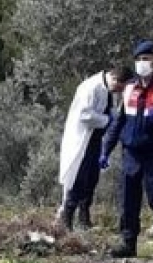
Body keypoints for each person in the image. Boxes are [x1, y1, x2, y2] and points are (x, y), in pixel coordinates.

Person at [100, 39, 153, 258]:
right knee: (128, 199)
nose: (142, 63)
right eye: (138, 59)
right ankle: (128, 242)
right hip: (131, 152)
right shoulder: (128, 88)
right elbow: (118, 122)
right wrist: (105, 149)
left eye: (146, 59)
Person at [58, 66, 134, 231]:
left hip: (96, 139)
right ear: (115, 79)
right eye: (120, 87)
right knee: (78, 178)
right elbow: (84, 115)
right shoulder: (90, 87)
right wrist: (108, 120)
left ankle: (84, 218)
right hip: (82, 139)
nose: (119, 91)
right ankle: (67, 218)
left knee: (92, 179)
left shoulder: (108, 90)